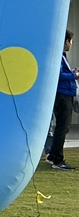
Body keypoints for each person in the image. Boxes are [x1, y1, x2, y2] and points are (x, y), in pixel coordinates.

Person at [47, 30, 76, 171]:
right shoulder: (57, 55)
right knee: (62, 128)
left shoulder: (61, 56)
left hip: (66, 94)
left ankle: (53, 155)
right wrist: (74, 75)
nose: (71, 44)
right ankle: (57, 160)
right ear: (65, 41)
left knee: (63, 127)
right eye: (70, 41)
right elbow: (57, 75)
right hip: (62, 95)